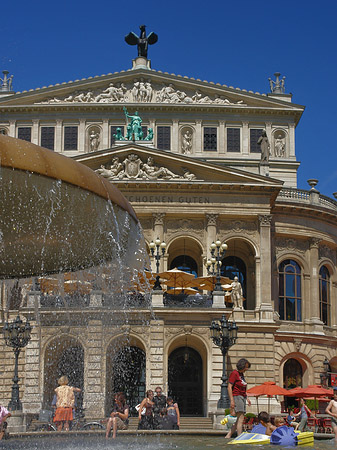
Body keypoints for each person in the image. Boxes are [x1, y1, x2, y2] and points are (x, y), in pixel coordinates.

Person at [225, 358, 251, 438]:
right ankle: (239, 437)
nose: (246, 369)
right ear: (242, 366)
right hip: (237, 397)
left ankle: (228, 436)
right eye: (246, 367)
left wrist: (247, 398)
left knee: (238, 420)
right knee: (241, 418)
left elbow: (243, 388)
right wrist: (232, 400)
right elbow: (229, 387)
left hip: (242, 397)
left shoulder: (241, 375)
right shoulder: (234, 373)